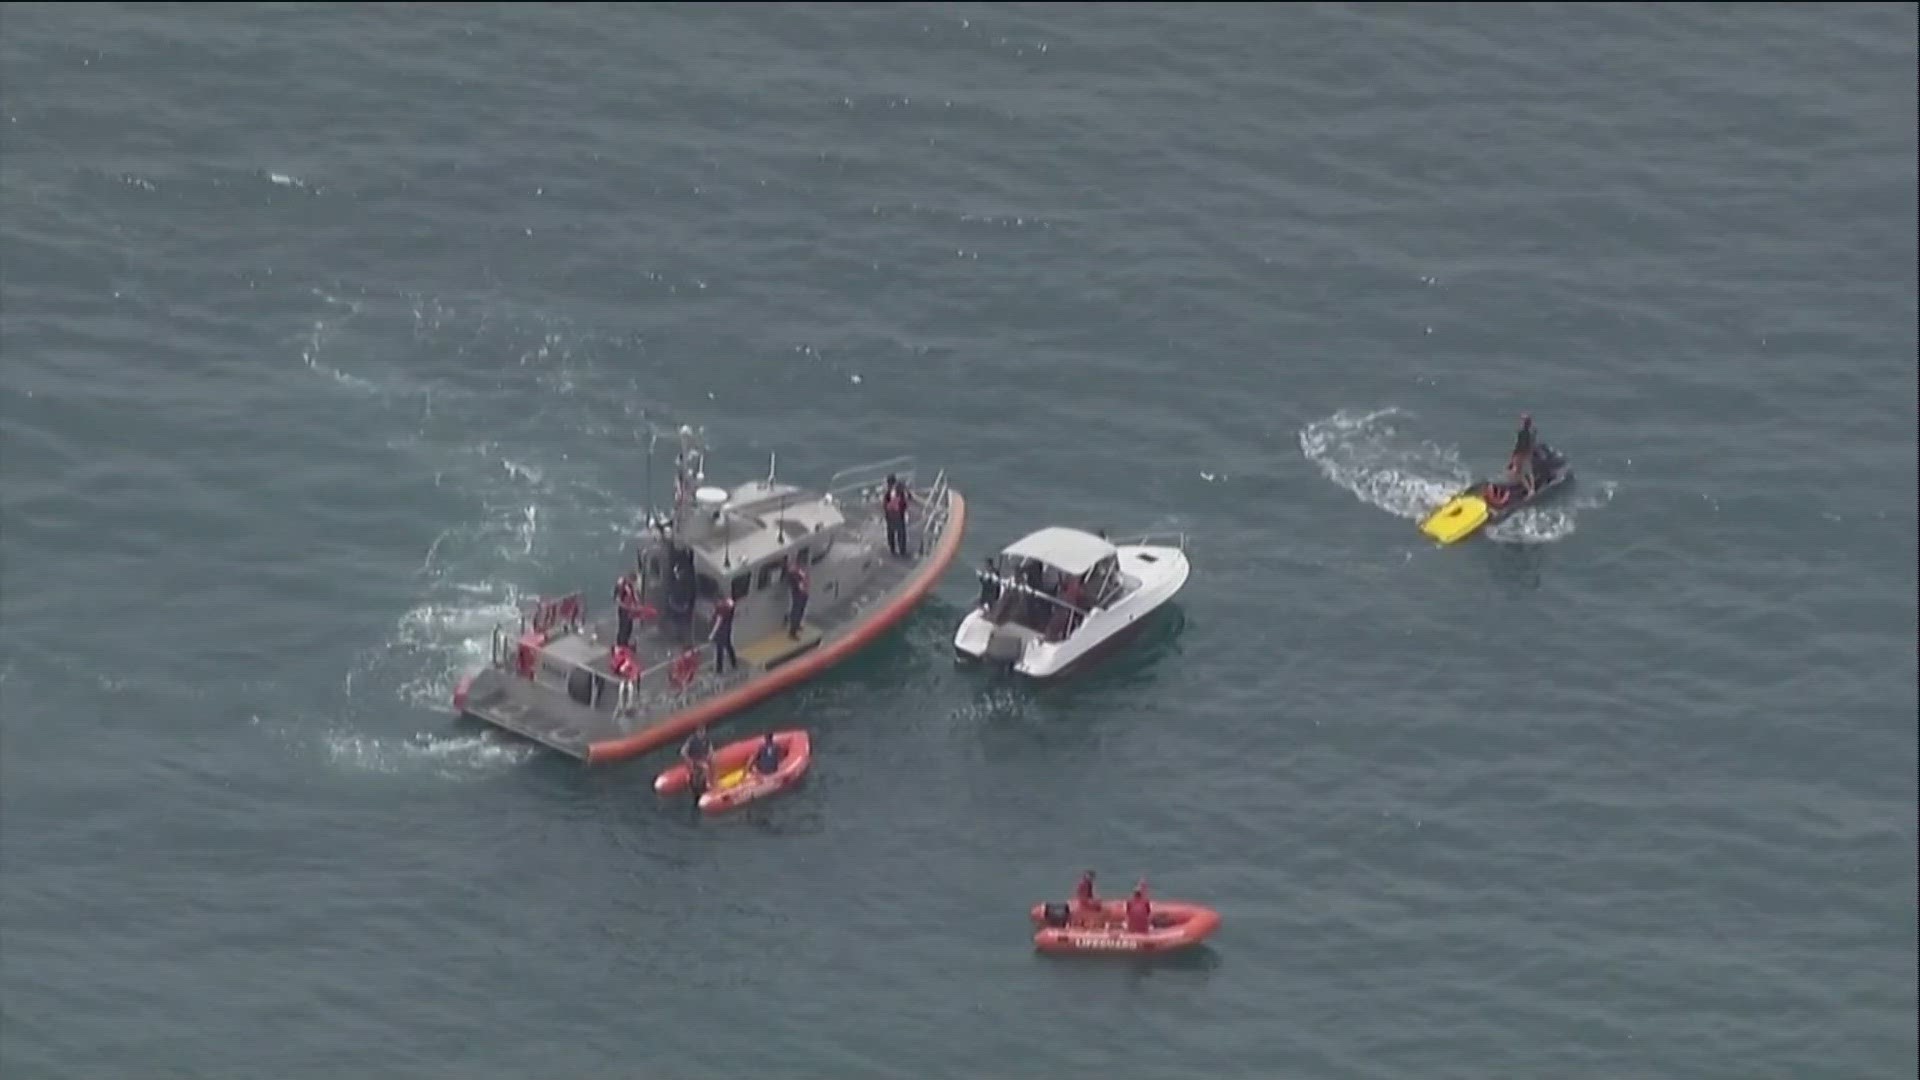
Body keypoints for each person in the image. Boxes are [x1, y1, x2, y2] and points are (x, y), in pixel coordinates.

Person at [1507, 413, 1539, 498]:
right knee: (1528, 471)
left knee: (1519, 473)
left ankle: (1529, 490)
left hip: (1520, 454)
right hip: (1528, 453)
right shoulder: (1531, 432)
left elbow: (1519, 445)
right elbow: (1532, 443)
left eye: (1522, 421)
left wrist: (1513, 457)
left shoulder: (1522, 433)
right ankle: (1532, 488)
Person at [882, 474, 912, 557]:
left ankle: (892, 549)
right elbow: (907, 496)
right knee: (901, 532)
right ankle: (902, 551)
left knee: (891, 532)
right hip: (897, 513)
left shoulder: (888, 490)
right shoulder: (898, 488)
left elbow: (886, 501)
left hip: (890, 513)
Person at [613, 573, 643, 648]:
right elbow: (617, 599)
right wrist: (627, 607)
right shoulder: (622, 586)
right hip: (624, 610)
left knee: (629, 627)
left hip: (629, 610)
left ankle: (624, 644)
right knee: (624, 628)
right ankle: (621, 645)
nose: (634, 583)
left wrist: (636, 605)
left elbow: (633, 596)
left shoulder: (630, 587)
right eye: (633, 581)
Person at [710, 595, 738, 674]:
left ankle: (719, 669)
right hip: (727, 629)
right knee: (728, 646)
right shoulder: (728, 606)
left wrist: (712, 634)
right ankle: (734, 663)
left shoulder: (720, 609)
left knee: (720, 650)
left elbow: (718, 623)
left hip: (721, 631)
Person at [785, 556, 810, 639]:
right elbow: (795, 582)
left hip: (804, 592)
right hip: (798, 593)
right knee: (796, 611)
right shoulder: (792, 573)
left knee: (801, 609)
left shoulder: (801, 570)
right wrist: (800, 584)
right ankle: (793, 632)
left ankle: (798, 624)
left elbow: (805, 578)